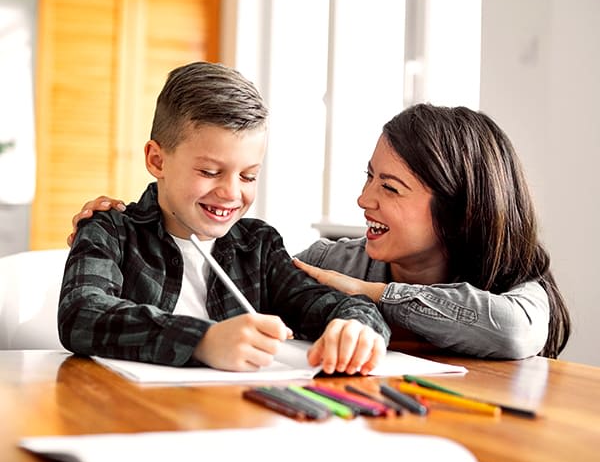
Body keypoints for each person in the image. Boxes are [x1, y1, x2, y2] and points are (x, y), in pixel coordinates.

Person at [69, 103, 570, 360]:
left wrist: (368, 300)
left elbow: (512, 329)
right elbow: (284, 283)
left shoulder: (516, 282)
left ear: (461, 212)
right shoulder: (330, 263)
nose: (363, 199)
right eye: (367, 176)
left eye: (390, 187)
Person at [59, 61, 390, 375]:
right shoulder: (109, 229)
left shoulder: (258, 246)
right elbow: (80, 314)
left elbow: (333, 305)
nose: (231, 193)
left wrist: (357, 328)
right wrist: (202, 340)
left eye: (248, 177)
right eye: (209, 172)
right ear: (158, 160)